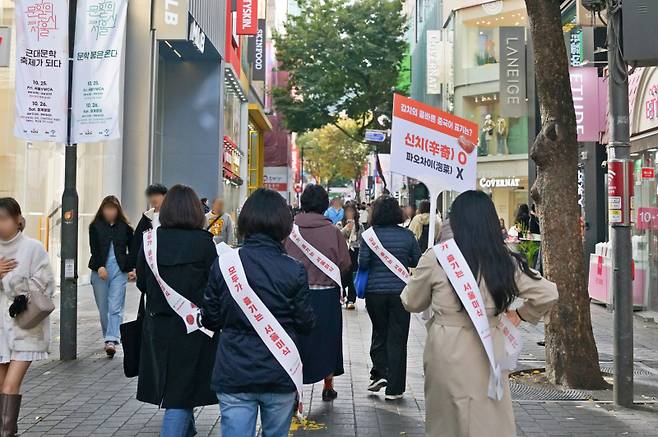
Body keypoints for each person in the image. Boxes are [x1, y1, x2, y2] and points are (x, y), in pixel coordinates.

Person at [401, 191, 558, 436]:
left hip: (446, 345)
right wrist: (520, 315)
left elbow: (412, 302)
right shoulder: (504, 258)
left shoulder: (438, 257)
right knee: (487, 417)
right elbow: (548, 293)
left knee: (447, 418)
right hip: (488, 342)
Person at [202, 188, 316, 437]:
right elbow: (305, 322)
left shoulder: (224, 264)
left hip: (234, 370)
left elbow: (210, 317)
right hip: (279, 368)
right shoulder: (294, 270)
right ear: (284, 225)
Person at [135, 185, 218, 437]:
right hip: (194, 327)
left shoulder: (150, 240)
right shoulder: (204, 243)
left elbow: (141, 284)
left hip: (158, 327)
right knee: (180, 394)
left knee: (176, 389)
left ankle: (188, 430)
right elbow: (214, 285)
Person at [285, 185, 351, 401]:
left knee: (296, 341)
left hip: (294, 296)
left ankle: (295, 392)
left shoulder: (290, 230)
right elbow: (344, 263)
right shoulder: (333, 232)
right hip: (326, 296)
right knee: (327, 340)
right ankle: (328, 385)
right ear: (325, 206)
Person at [0, 198, 55, 437]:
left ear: (18, 219)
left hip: (26, 327)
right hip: (0, 329)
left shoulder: (33, 247)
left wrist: (11, 283)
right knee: (2, 387)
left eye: (4, 219)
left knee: (11, 385)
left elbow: (47, 284)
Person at [358, 196, 421, 400]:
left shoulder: (369, 236)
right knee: (398, 338)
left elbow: (364, 263)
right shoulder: (407, 235)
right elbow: (416, 260)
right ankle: (395, 388)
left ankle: (379, 373)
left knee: (379, 332)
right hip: (401, 294)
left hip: (375, 293)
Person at [88, 195, 134, 358]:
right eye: (107, 208)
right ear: (102, 209)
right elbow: (94, 248)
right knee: (104, 309)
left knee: (116, 307)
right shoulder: (95, 227)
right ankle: (109, 335)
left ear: (118, 210)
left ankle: (111, 339)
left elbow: (132, 250)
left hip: (119, 271)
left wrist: (131, 268)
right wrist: (100, 266)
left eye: (113, 209)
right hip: (99, 271)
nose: (110, 212)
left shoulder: (126, 228)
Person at [337, 204, 364, 310]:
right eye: (347, 211)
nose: (349, 214)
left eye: (351, 211)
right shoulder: (340, 224)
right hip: (343, 253)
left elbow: (361, 241)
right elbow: (337, 237)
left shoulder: (359, 226)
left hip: (355, 253)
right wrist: (346, 229)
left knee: (353, 276)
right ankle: (342, 296)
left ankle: (351, 299)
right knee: (343, 275)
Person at [131, 183, 168, 259]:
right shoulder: (146, 217)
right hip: (149, 258)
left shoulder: (171, 216)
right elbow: (137, 242)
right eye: (151, 196)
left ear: (165, 196)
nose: (153, 198)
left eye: (157, 195)